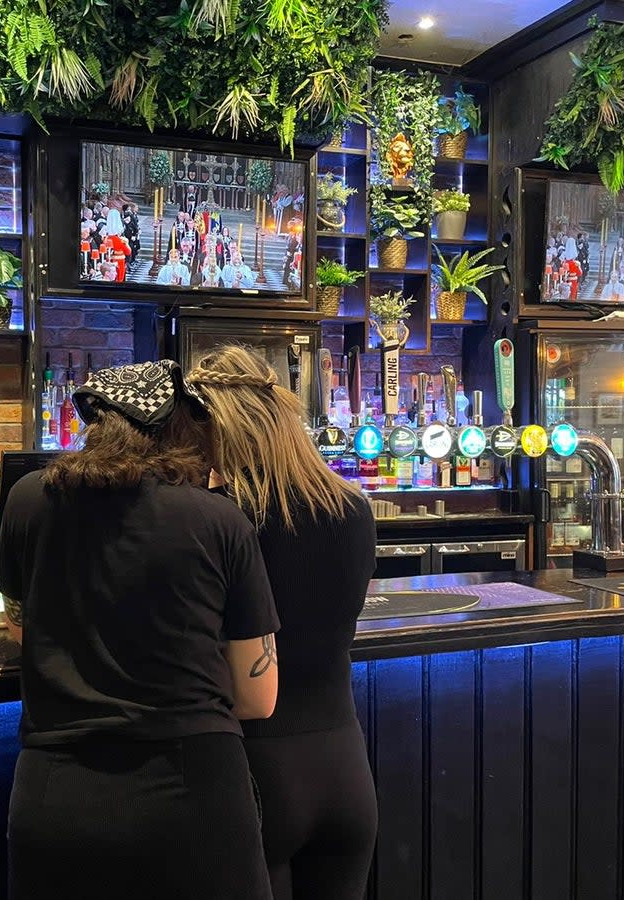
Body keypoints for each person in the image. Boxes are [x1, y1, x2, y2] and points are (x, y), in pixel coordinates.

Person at [0, 360, 280, 900]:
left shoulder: (29, 499)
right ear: (179, 428)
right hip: (193, 792)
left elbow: (21, 628)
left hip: (56, 793)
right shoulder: (220, 520)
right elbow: (256, 695)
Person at [186, 346, 378, 900]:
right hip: (344, 768)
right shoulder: (353, 507)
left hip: (252, 770)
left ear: (216, 428)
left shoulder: (217, 518)